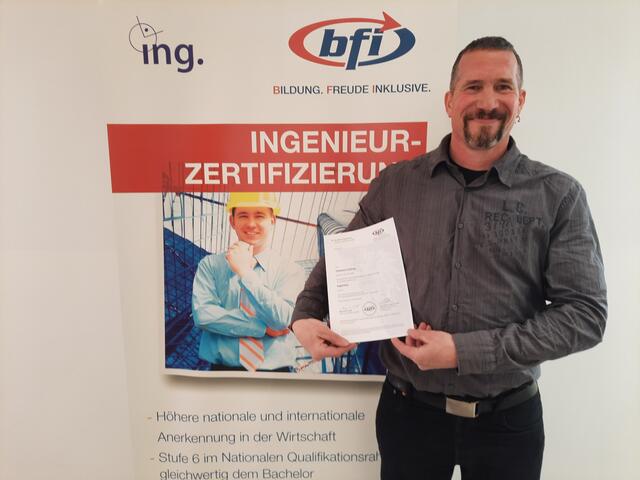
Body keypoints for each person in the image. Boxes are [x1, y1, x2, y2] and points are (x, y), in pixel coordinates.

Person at [291, 36, 606, 479]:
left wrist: (462, 351)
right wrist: (305, 317)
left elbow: (585, 316)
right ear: (449, 100)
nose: (488, 101)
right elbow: (341, 263)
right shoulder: (396, 184)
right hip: (409, 416)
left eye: (503, 87)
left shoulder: (558, 195)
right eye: (473, 86)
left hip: (508, 423)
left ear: (521, 101)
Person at [192, 192, 305, 372]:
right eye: (243, 215)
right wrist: (260, 328)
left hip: (277, 375)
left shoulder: (290, 270)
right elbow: (203, 315)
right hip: (222, 372)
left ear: (272, 220)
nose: (251, 224)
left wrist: (245, 273)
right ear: (232, 221)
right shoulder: (210, 265)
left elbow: (284, 320)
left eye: (259, 216)